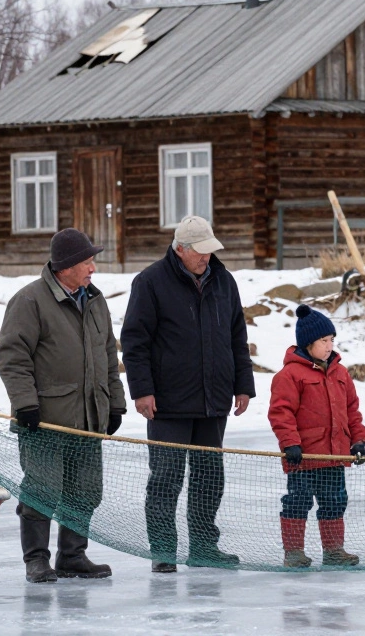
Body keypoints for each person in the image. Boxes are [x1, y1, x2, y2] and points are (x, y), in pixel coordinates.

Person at [121, 216, 255, 572]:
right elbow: (134, 343)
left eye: (211, 251)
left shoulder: (224, 282)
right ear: (180, 250)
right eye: (200, 252)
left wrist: (243, 384)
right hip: (167, 403)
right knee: (166, 478)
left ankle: (203, 548)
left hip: (214, 399)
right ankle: (163, 551)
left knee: (210, 477)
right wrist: (142, 391)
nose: (207, 258)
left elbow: (236, 337)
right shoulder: (149, 282)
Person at [0, 228, 126, 583]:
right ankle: (36, 560)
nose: (93, 268)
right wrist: (25, 405)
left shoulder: (96, 301)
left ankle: (73, 556)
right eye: (87, 261)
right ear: (66, 266)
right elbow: (13, 358)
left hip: (88, 418)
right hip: (45, 420)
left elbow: (108, 358)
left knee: (85, 491)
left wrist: (115, 404)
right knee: (43, 489)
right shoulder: (30, 301)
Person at [267, 305, 365, 569]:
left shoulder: (341, 373)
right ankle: (294, 553)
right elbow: (281, 413)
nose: (329, 345)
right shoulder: (289, 375)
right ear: (308, 343)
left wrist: (358, 441)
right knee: (297, 501)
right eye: (324, 341)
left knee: (335, 501)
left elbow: (352, 411)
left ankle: (334, 550)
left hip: (334, 455)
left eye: (331, 340)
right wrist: (290, 443)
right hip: (303, 456)